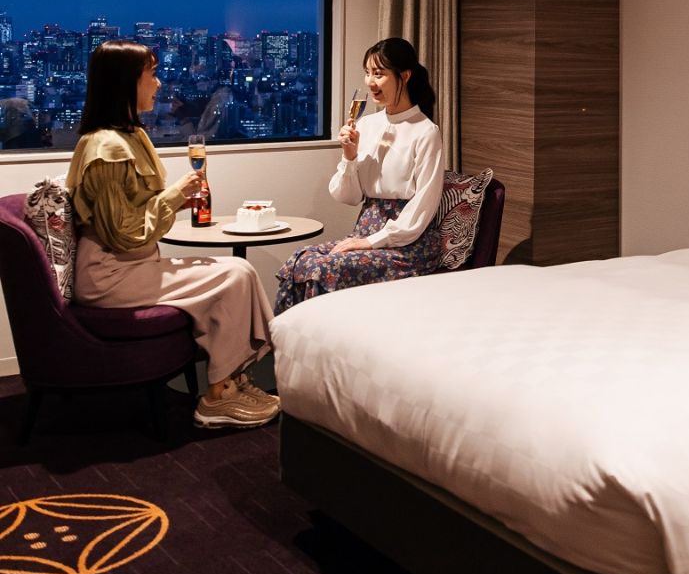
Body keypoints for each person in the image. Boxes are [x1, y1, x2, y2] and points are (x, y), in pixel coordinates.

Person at [66, 40, 279, 429]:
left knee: (238, 271)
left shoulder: (131, 136)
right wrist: (175, 195)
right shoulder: (105, 149)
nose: (159, 83)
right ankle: (217, 398)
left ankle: (230, 380)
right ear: (126, 82)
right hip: (109, 275)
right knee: (234, 275)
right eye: (151, 74)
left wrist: (176, 201)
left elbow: (135, 211)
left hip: (131, 266)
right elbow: (123, 233)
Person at [274, 38, 443, 313]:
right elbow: (348, 197)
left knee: (323, 268)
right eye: (367, 73)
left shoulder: (425, 131)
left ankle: (321, 337)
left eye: (379, 74)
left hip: (407, 242)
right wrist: (349, 157)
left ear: (404, 76)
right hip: (366, 230)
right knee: (301, 259)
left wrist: (369, 242)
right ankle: (289, 337)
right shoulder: (367, 124)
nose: (370, 82)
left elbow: (424, 204)